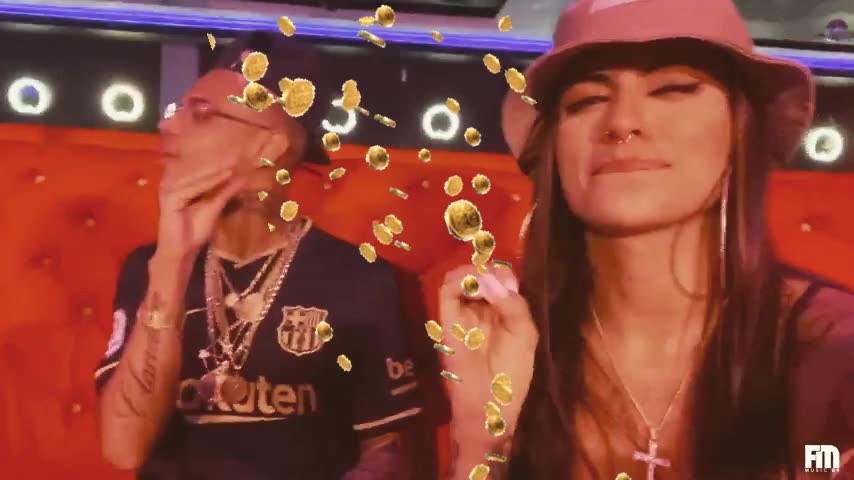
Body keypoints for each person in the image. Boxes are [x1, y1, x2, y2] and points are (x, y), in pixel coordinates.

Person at [439, 0, 854, 479]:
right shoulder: (506, 345)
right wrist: (482, 443)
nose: (622, 122)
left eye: (673, 89)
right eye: (587, 100)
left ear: (740, 130)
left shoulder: (834, 350)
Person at [94, 31, 425, 479]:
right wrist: (172, 264)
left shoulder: (358, 278)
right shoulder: (149, 267)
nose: (167, 125)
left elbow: (386, 451)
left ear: (270, 147)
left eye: (202, 114)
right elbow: (123, 449)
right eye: (177, 110)